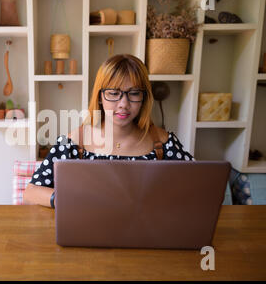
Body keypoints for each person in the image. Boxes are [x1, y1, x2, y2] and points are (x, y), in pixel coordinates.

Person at [24, 54, 195, 208]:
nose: (123, 104)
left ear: (144, 97)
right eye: (114, 93)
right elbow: (31, 192)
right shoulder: (76, 141)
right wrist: (66, 199)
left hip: (147, 234)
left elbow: (198, 185)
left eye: (134, 93)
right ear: (99, 97)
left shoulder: (162, 141)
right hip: (88, 231)